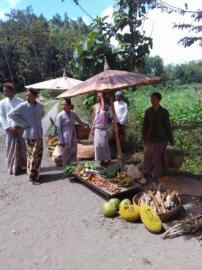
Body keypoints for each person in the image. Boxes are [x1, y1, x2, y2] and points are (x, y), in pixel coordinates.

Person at [8, 88, 44, 185]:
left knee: (38, 155)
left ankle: (32, 174)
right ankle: (33, 178)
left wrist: (38, 121)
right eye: (26, 95)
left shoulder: (40, 105)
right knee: (32, 156)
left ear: (35, 96)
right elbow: (11, 114)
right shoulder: (23, 106)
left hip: (39, 134)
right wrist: (24, 124)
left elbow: (42, 114)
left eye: (29, 95)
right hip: (29, 135)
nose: (27, 97)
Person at [142, 92, 175, 178]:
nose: (152, 101)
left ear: (159, 100)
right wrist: (144, 137)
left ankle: (158, 175)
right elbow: (145, 126)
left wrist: (171, 140)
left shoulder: (164, 112)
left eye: (154, 99)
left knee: (159, 157)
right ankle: (146, 173)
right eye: (151, 99)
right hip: (150, 137)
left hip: (161, 138)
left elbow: (168, 126)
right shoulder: (148, 111)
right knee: (148, 156)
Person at [0, 82, 26, 175]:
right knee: (10, 147)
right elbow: (1, 116)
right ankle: (13, 167)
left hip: (19, 128)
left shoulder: (21, 101)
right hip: (9, 129)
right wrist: (8, 127)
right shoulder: (2, 102)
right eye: (3, 91)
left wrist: (18, 125)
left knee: (22, 146)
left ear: (11, 90)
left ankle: (22, 165)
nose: (4, 93)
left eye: (6, 90)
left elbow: (23, 115)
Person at [56, 98, 89, 166]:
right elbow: (58, 129)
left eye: (65, 105)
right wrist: (61, 141)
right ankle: (65, 167)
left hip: (73, 134)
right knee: (65, 152)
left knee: (74, 151)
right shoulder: (60, 115)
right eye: (62, 105)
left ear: (69, 105)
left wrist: (87, 123)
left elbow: (80, 121)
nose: (63, 106)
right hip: (65, 135)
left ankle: (73, 166)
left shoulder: (73, 113)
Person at [92, 92, 111, 165]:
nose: (98, 97)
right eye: (98, 96)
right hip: (97, 128)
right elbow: (93, 117)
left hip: (103, 128)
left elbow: (103, 110)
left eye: (100, 96)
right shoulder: (95, 106)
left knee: (104, 144)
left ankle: (107, 159)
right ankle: (101, 160)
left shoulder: (106, 106)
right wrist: (92, 129)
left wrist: (102, 98)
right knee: (97, 145)